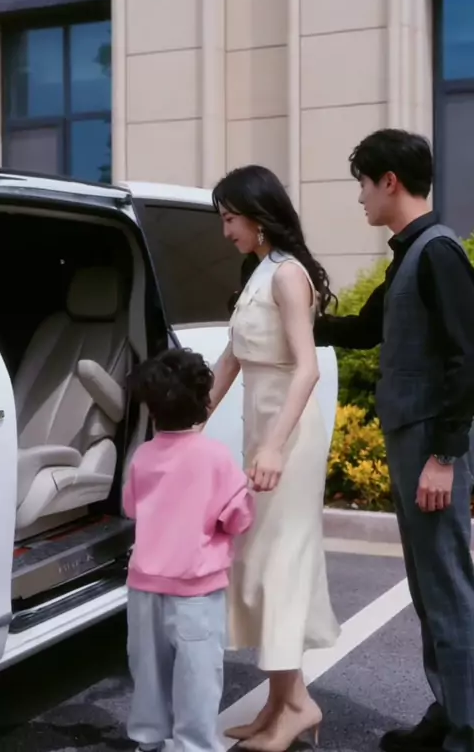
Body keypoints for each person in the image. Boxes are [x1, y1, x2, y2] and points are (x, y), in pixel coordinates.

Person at [315, 129, 474, 752]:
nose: (359, 197)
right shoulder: (409, 254)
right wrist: (293, 316)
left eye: (363, 183)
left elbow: (467, 360)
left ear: (389, 181)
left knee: (448, 587)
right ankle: (450, 709)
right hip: (414, 443)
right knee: (428, 586)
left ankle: (467, 728)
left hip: (432, 447)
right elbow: (364, 328)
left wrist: (444, 457)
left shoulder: (438, 253)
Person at [209, 165, 340, 752]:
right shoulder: (259, 271)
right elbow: (230, 360)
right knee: (259, 565)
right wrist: (189, 423)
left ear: (258, 217)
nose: (226, 231)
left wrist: (272, 446)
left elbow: (306, 369)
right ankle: (283, 703)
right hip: (262, 433)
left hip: (288, 439)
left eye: (230, 219)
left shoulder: (287, 275)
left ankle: (296, 706)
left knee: (277, 566)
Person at [123, 348, 254, 752]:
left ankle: (148, 738)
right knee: (197, 676)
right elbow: (237, 517)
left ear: (152, 409)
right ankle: (193, 745)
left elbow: (131, 507)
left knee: (148, 671)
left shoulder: (143, 455)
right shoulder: (215, 457)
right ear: (202, 402)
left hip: (144, 585)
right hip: (196, 589)